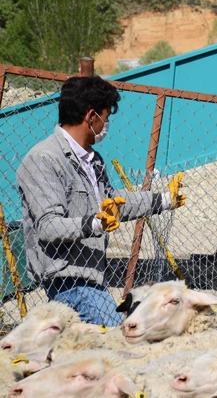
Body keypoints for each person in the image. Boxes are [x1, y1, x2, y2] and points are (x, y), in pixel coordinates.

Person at [16, 76, 186, 326]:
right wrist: (95, 224)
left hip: (92, 276)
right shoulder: (43, 159)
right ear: (91, 116)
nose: (106, 125)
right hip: (68, 280)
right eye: (106, 118)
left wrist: (165, 199)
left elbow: (115, 204)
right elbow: (48, 226)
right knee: (119, 337)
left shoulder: (92, 160)